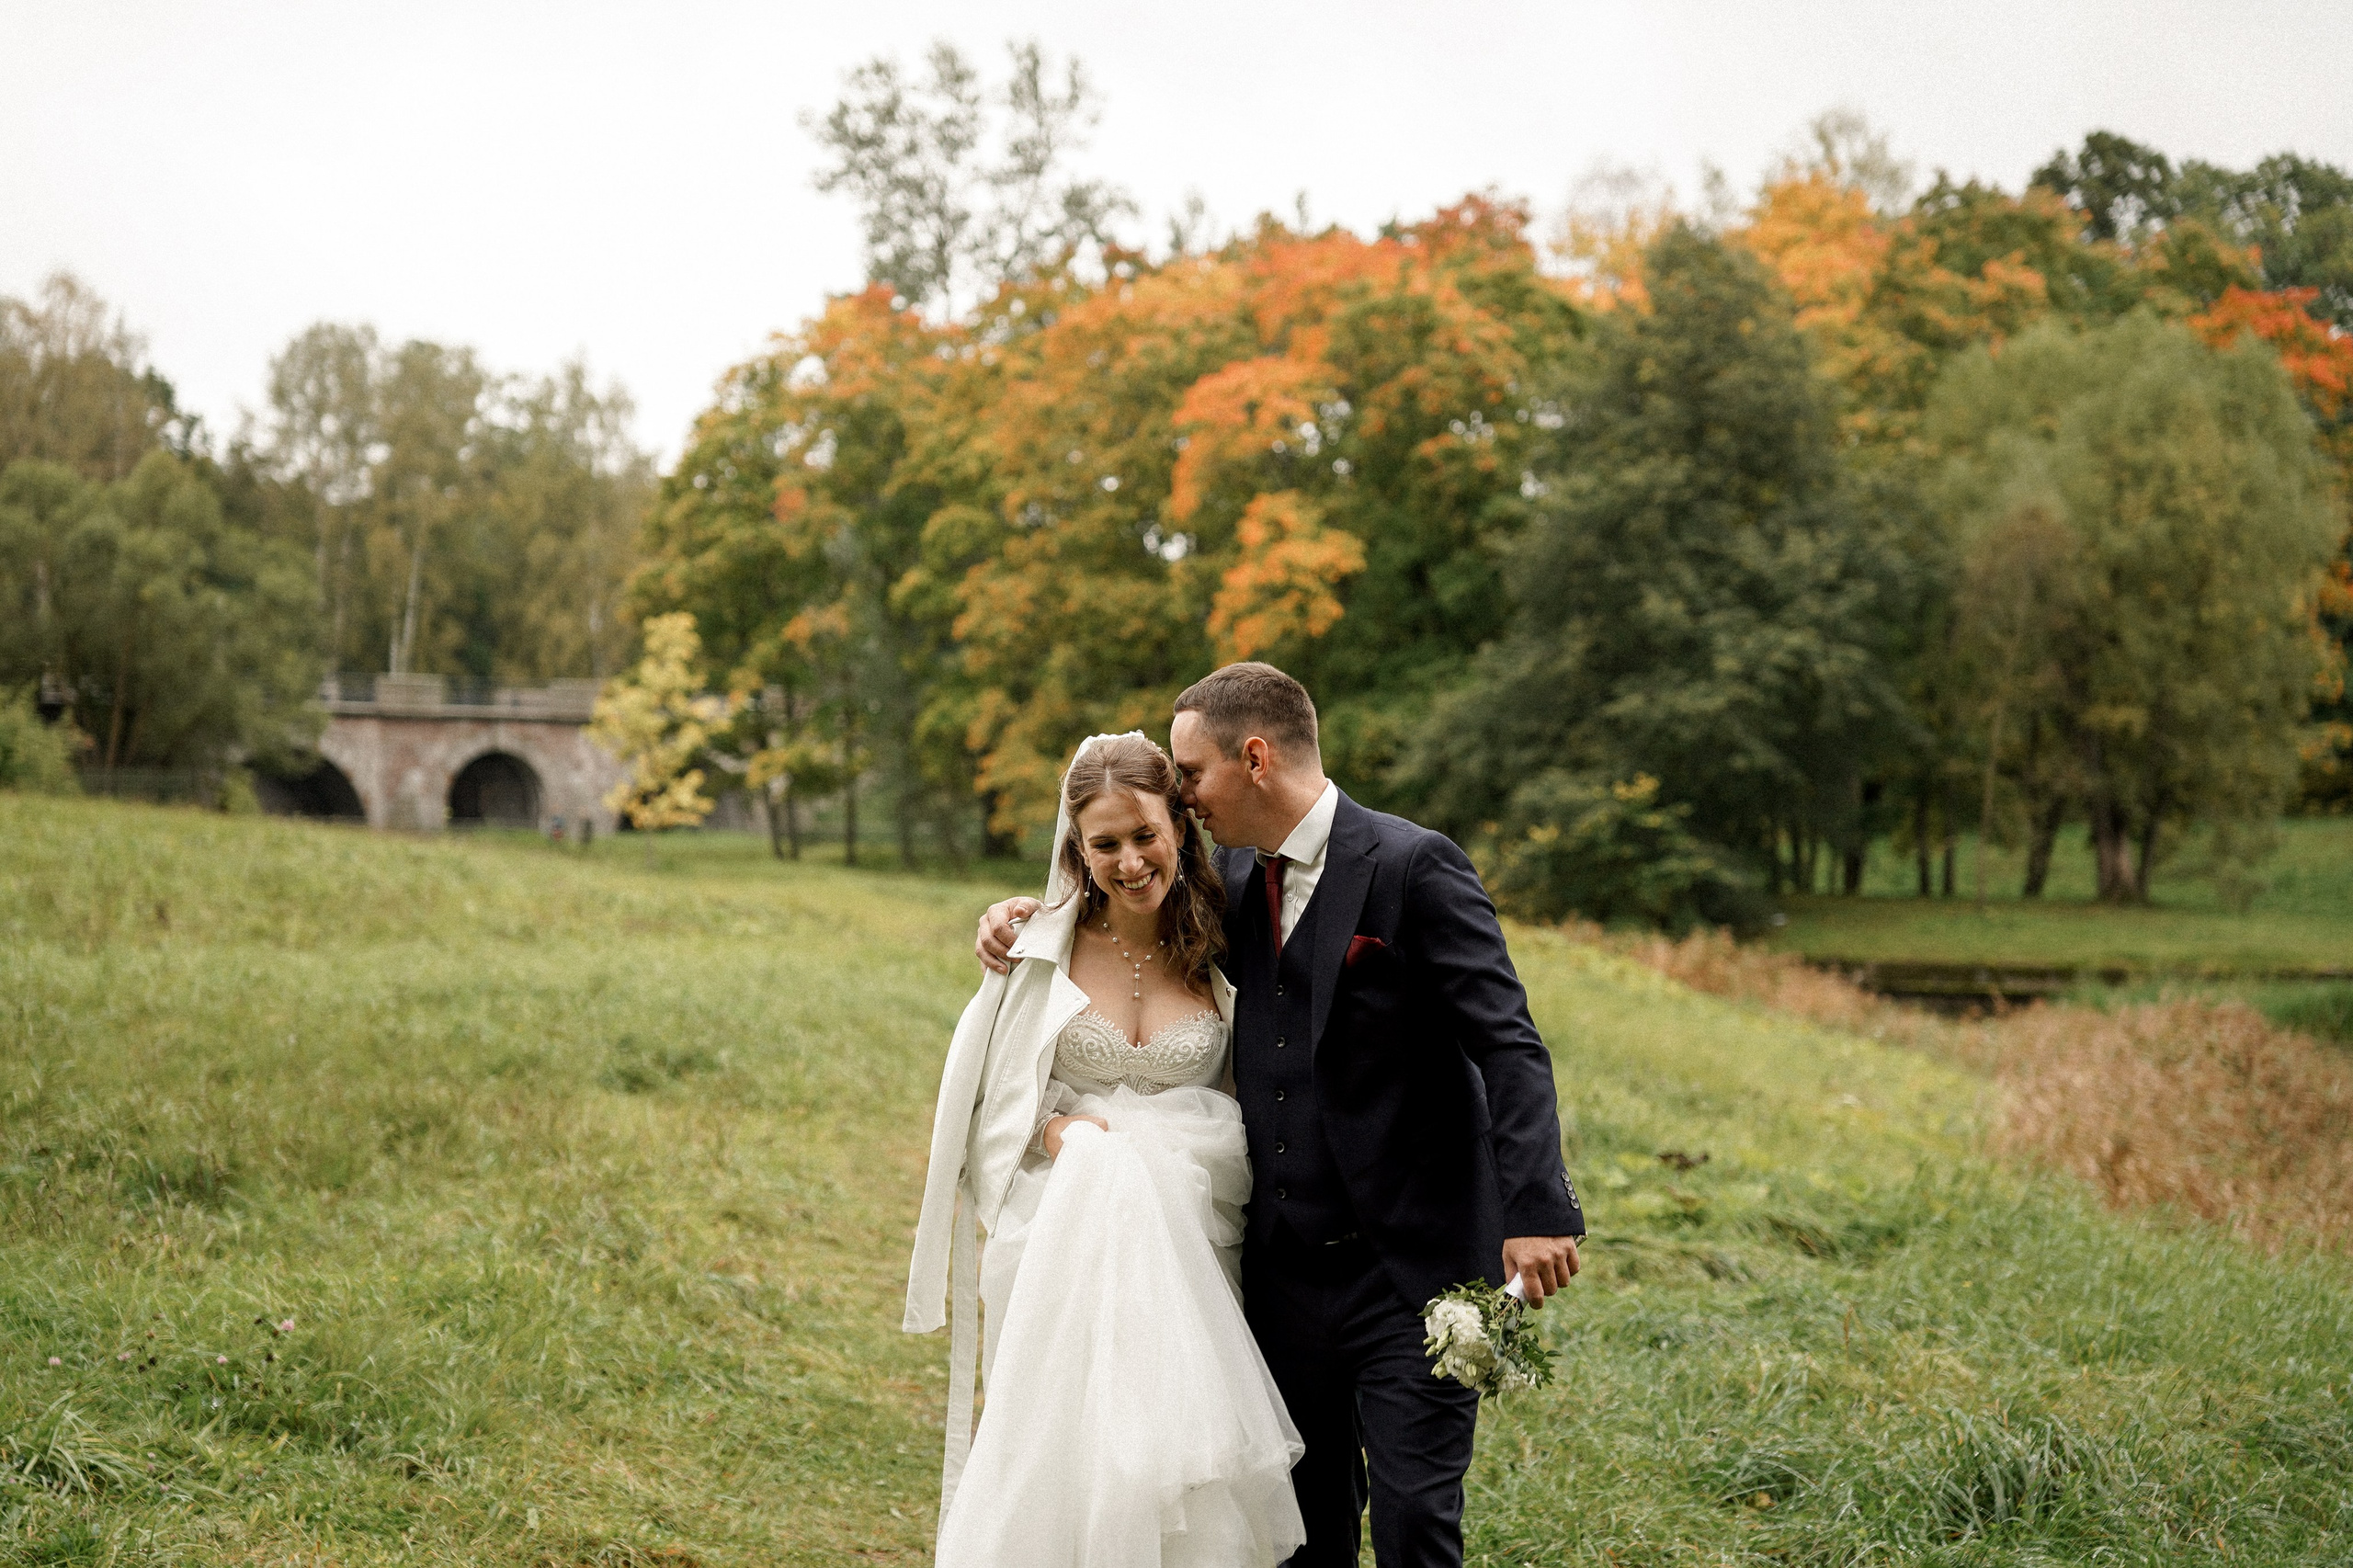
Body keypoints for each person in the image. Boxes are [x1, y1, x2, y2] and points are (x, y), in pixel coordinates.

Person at [975, 663, 1585, 1568]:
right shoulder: (1220, 878)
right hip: (1281, 1272)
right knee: (1300, 1529)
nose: (1179, 796)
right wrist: (1017, 915)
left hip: (1409, 1264)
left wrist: (1538, 1207)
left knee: (1417, 1516)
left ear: (1253, 757)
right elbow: (1118, 906)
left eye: (1189, 773)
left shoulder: (1413, 866)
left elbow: (1508, 1043)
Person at [905, 732, 1308, 1567]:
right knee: (1066, 1442)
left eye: (1145, 835)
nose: (1130, 861)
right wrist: (1058, 1131)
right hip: (1064, 1234)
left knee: (1178, 1452)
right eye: (1105, 844)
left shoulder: (1230, 943)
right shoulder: (1037, 953)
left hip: (1197, 1240)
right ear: (1076, 849)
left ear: (1179, 830)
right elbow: (993, 1101)